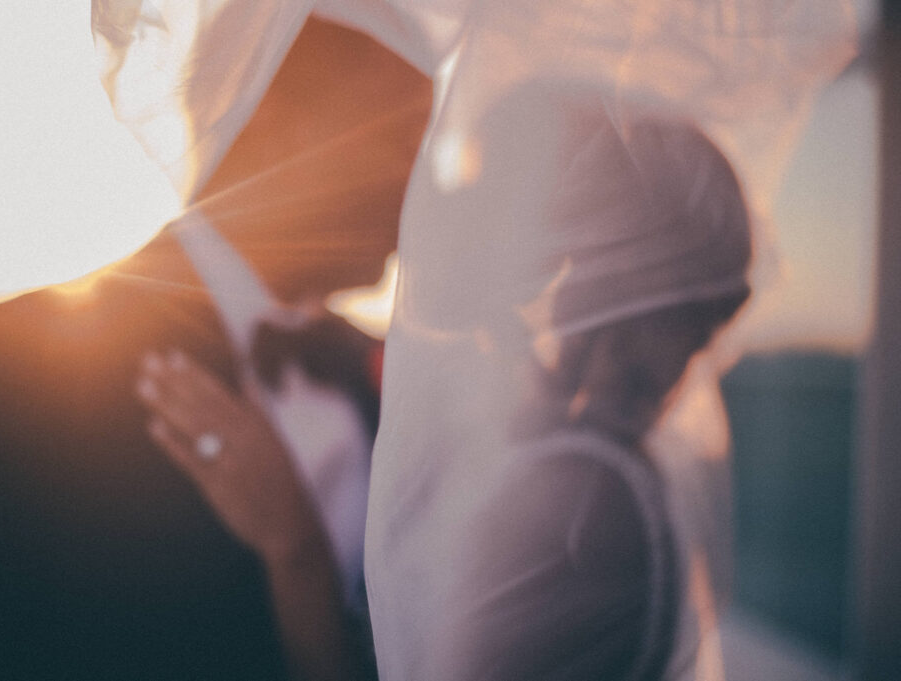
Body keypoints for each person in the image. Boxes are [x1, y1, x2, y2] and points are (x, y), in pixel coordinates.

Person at [91, 3, 855, 679]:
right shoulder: (75, 359)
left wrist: (295, 550)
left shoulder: (574, 493)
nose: (424, 189)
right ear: (285, 124)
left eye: (433, 152)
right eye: (403, 141)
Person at [0, 17, 429, 680]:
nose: (420, 179)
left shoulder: (396, 378)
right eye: (401, 135)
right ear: (271, 118)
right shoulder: (11, 370)